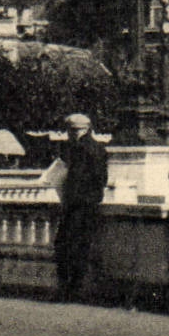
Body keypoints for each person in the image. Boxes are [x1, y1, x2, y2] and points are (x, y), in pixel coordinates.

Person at [53, 112, 109, 303]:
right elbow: (102, 179)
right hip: (88, 203)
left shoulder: (78, 149)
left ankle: (68, 290)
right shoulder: (97, 148)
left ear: (75, 130)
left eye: (70, 131)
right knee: (79, 247)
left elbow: (81, 178)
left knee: (66, 246)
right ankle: (74, 289)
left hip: (77, 204)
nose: (69, 135)